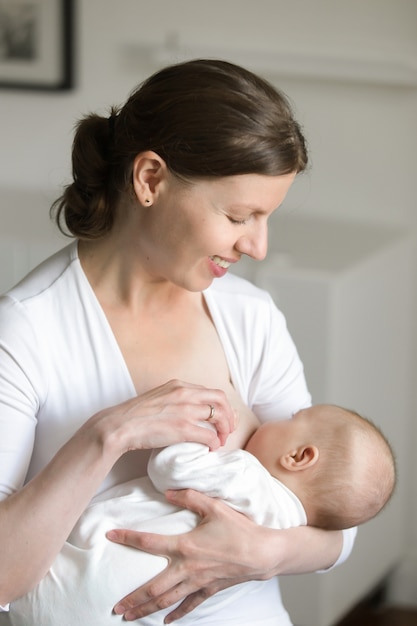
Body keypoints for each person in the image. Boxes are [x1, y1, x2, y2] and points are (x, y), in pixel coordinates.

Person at [0, 59, 357, 626]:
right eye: (240, 215)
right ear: (149, 179)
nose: (258, 246)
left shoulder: (248, 317)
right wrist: (107, 435)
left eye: (266, 218)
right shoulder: (25, 333)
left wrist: (266, 554)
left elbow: (333, 512)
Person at [8, 401, 396, 626]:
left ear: (298, 457)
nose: (273, 419)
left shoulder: (246, 475)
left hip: (62, 586)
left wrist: (208, 434)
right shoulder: (291, 522)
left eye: (292, 420)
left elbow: (171, 468)